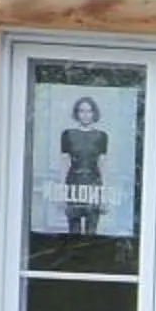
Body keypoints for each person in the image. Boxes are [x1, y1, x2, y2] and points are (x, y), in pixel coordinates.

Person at [58, 96, 109, 237]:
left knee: (91, 230)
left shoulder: (101, 136)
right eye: (82, 111)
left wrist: (104, 195)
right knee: (73, 230)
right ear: (77, 113)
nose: (85, 115)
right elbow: (64, 163)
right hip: (74, 183)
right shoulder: (68, 135)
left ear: (94, 113)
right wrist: (61, 192)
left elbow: (102, 165)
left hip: (93, 185)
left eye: (89, 111)